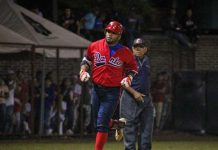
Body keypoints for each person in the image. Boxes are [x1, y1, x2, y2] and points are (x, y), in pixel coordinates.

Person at [79, 21, 138, 150]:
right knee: (99, 121)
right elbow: (87, 60)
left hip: (112, 91)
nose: (109, 34)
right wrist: (83, 70)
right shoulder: (94, 46)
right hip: (96, 89)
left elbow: (133, 67)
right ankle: (117, 124)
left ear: (119, 36)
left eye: (113, 33)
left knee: (101, 124)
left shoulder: (125, 51)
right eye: (108, 31)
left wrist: (129, 77)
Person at [119, 38, 154, 150]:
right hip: (130, 98)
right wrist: (134, 93)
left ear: (145, 49)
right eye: (135, 47)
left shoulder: (147, 60)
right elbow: (123, 82)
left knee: (147, 133)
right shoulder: (128, 61)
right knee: (129, 133)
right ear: (132, 49)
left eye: (141, 46)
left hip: (146, 98)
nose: (138, 49)